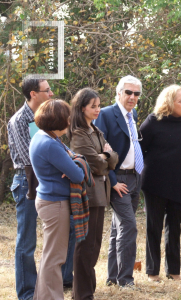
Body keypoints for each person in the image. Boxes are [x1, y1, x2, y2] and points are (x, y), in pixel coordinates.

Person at [7, 76, 74, 300]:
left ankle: (58, 283)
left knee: (62, 236)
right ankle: (27, 293)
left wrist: (66, 162)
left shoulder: (47, 117)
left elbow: (62, 151)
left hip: (48, 182)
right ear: (33, 94)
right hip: (27, 181)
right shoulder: (19, 120)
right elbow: (32, 158)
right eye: (47, 90)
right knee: (27, 242)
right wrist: (63, 165)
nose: (51, 94)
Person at [139, 85, 181, 282]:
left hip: (179, 184)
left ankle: (174, 271)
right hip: (155, 182)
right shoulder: (152, 121)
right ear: (169, 103)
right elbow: (139, 150)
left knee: (174, 227)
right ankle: (152, 272)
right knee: (154, 226)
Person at [29, 99, 86, 300]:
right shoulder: (49, 144)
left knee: (50, 256)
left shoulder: (43, 137)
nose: (70, 121)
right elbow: (78, 175)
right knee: (55, 258)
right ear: (59, 120)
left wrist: (72, 163)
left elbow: (73, 162)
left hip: (49, 201)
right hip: (56, 204)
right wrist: (75, 164)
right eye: (67, 117)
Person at [94, 75, 144, 289]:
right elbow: (99, 151)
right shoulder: (105, 114)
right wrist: (112, 181)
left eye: (136, 94)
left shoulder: (133, 115)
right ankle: (126, 280)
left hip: (134, 177)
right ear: (118, 93)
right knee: (129, 226)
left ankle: (113, 277)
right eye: (128, 93)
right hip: (118, 179)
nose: (132, 97)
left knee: (119, 229)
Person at [68, 88, 119, 300]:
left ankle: (87, 290)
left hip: (100, 194)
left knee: (94, 245)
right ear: (82, 108)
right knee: (86, 246)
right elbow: (96, 165)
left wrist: (106, 156)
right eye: (93, 106)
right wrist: (106, 155)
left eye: (99, 105)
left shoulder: (96, 130)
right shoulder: (79, 133)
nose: (98, 109)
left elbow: (112, 159)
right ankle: (82, 293)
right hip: (89, 195)